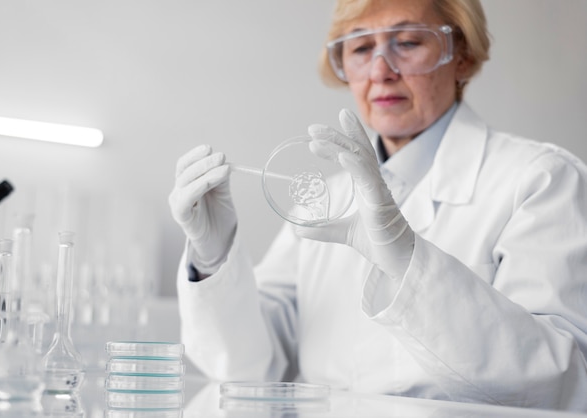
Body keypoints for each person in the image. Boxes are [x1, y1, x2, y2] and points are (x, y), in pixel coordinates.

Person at [169, 0, 587, 411]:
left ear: (460, 56)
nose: (381, 71)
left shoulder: (539, 179)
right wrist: (212, 256)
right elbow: (249, 368)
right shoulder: (326, 199)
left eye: (407, 42)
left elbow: (559, 381)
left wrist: (409, 262)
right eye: (361, 48)